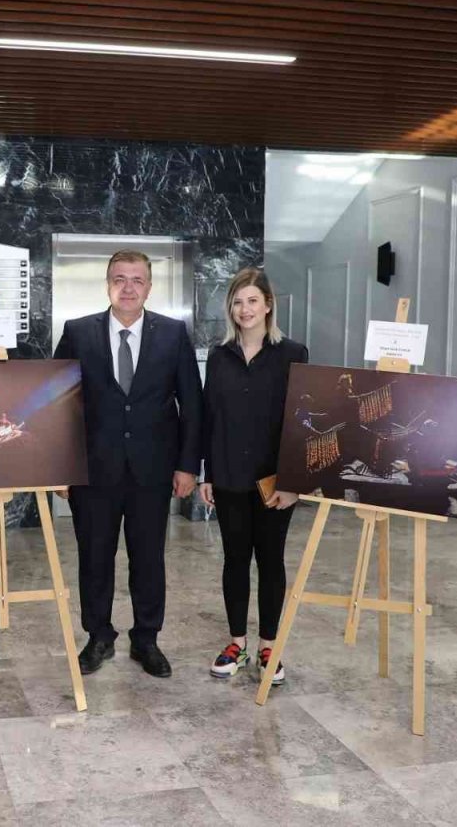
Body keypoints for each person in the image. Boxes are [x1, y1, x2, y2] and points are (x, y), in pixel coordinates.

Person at [54, 249, 203, 678]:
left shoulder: (173, 335)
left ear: (149, 287)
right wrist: (62, 466)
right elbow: (60, 404)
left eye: (137, 279)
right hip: (92, 471)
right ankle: (98, 637)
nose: (128, 287)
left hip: (152, 472)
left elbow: (191, 405)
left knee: (148, 559)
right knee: (94, 558)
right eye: (119, 278)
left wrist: (187, 466)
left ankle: (147, 640)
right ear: (107, 284)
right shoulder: (78, 333)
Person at [199, 267, 307, 686]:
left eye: (252, 301)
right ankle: (237, 643)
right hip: (227, 476)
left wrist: (293, 480)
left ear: (268, 305)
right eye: (237, 302)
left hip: (273, 482)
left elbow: (301, 422)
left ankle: (268, 647)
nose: (244, 309)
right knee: (235, 560)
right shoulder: (218, 355)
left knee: (271, 561)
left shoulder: (292, 354)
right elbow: (210, 417)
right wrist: (207, 472)